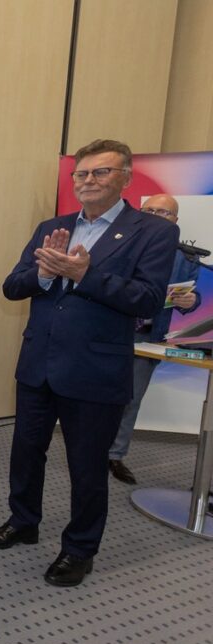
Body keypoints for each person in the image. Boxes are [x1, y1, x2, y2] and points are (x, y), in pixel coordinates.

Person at [0, 139, 179, 587]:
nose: (88, 181)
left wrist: (85, 275)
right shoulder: (53, 226)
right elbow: (13, 286)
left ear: (125, 178)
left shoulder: (152, 231)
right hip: (38, 363)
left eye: (100, 172)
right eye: (81, 173)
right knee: (25, 452)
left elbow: (147, 299)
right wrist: (44, 273)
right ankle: (23, 522)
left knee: (87, 466)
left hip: (95, 371)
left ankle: (79, 549)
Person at [107, 194, 202, 484]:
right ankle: (87, 449)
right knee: (95, 394)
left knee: (132, 398)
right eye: (149, 210)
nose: (155, 216)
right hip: (110, 331)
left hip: (149, 337)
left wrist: (192, 301)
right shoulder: (118, 244)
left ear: (175, 221)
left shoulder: (186, 258)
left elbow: (193, 295)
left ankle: (114, 455)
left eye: (163, 212)